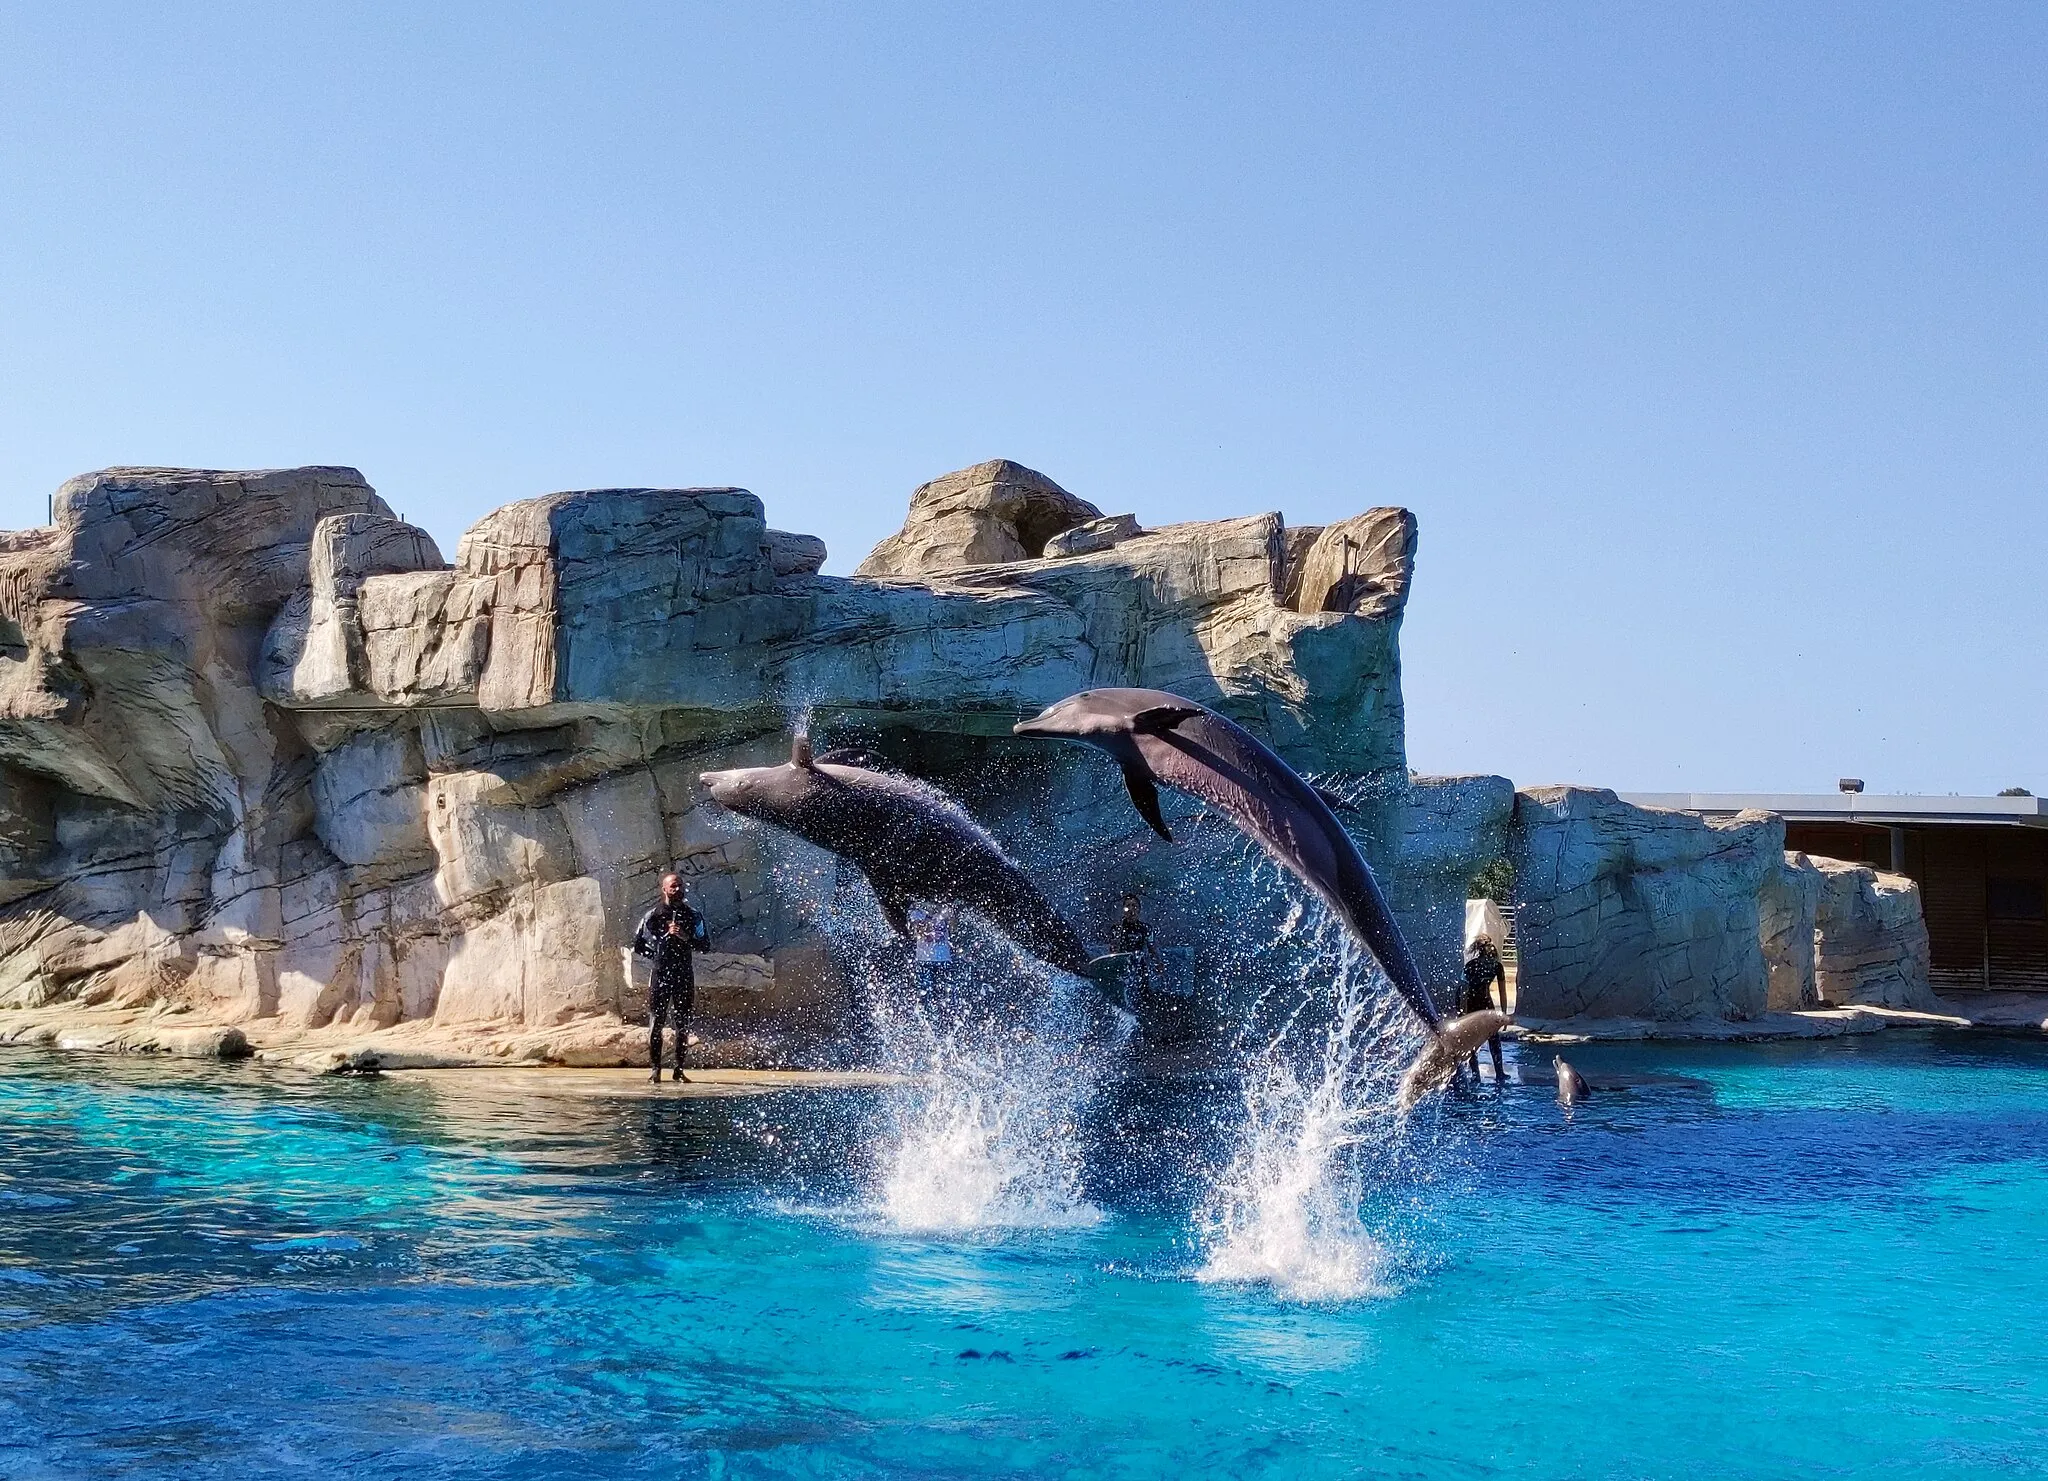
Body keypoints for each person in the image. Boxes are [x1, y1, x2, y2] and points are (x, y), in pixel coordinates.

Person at [633, 872, 709, 1083]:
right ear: (664, 889)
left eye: (680, 886)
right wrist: (659, 948)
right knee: (656, 1021)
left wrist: (685, 937)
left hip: (683, 974)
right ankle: (655, 1070)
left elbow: (705, 945)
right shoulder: (653, 915)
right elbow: (638, 945)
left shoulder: (693, 915)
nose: (678, 889)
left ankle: (679, 1069)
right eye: (673, 886)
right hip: (661, 974)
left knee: (682, 1023)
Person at [1462, 933, 1507, 1084]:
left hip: (1471, 1005)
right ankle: (1499, 1073)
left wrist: (1461, 1012)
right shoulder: (1496, 966)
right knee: (1494, 1039)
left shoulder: (1470, 965)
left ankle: (1476, 1075)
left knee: (1471, 1041)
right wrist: (1504, 1014)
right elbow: (1502, 992)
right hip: (1487, 1005)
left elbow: (1462, 989)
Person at [907, 903, 956, 1005]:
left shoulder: (945, 910)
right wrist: (929, 920)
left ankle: (946, 1017)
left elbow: (953, 928)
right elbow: (917, 932)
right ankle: (925, 1017)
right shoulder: (918, 912)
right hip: (924, 961)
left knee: (947, 997)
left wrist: (950, 916)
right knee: (924, 996)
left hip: (944, 960)